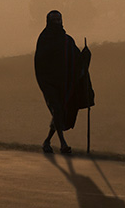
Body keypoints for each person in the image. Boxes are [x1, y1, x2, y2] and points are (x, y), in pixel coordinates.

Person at [34, 10, 93, 154]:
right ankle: (63, 144)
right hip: (48, 82)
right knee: (58, 110)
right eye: (53, 20)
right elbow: (40, 61)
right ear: (48, 21)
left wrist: (85, 56)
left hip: (63, 82)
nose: (56, 22)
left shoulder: (66, 40)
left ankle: (47, 141)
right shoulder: (45, 38)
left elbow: (75, 58)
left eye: (58, 19)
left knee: (59, 111)